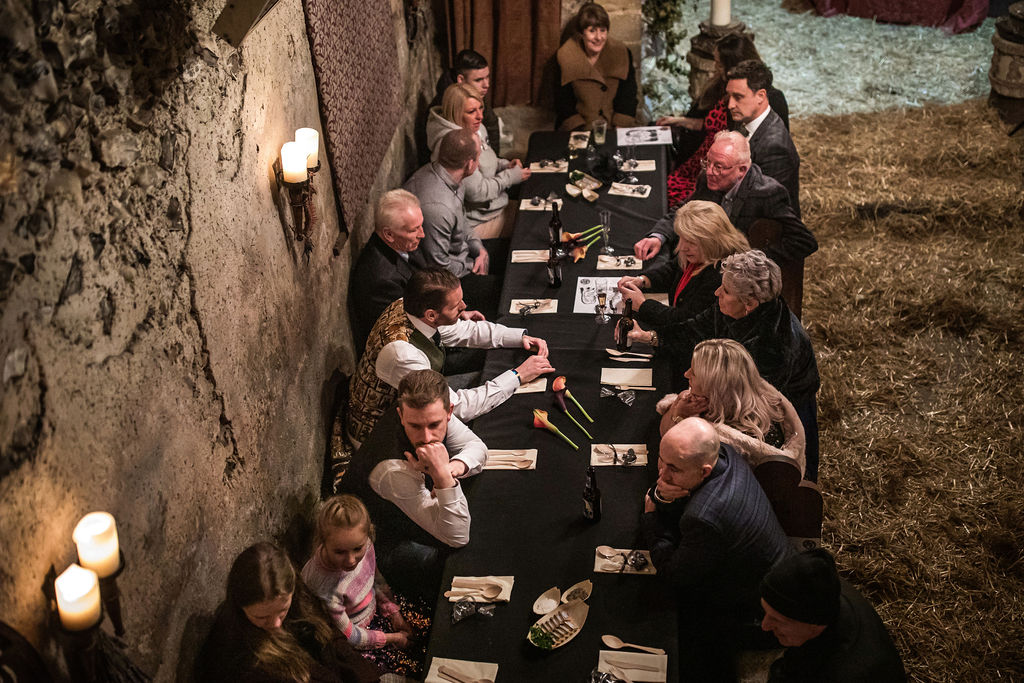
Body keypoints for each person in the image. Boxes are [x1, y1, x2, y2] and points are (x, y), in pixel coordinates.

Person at [623, 250, 822, 481]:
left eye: (725, 291)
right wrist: (646, 336)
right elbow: (692, 331)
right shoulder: (729, 307)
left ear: (750, 303)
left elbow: (748, 406)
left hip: (777, 411)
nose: (717, 292)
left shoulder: (775, 344)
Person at [640, 417, 793, 682]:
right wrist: (665, 497)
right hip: (774, 571)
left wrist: (651, 516)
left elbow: (673, 573)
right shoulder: (726, 453)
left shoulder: (703, 517)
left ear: (705, 471)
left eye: (673, 469)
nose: (662, 475)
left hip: (757, 617)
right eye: (661, 461)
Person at [345, 267, 553, 447]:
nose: (464, 307)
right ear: (431, 315)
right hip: (383, 433)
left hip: (423, 399)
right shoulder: (402, 355)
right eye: (456, 306)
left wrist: (519, 337)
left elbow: (465, 331)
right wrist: (518, 375)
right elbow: (457, 408)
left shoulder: (409, 306)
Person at [340, 370, 485, 600]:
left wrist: (450, 468)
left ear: (448, 413)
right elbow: (457, 537)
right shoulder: (392, 470)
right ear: (401, 415)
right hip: (385, 544)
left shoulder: (427, 414)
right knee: (466, 561)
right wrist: (443, 479)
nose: (426, 437)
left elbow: (478, 448)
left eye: (434, 424)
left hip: (414, 509)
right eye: (415, 426)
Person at [196, 542, 381, 683]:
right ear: (240, 607)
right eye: (261, 617)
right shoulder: (240, 658)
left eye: (283, 610)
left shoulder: (300, 598)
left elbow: (329, 633)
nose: (276, 623)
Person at [633, 132, 816, 268]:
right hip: (699, 263)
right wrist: (658, 236)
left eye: (719, 167)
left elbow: (804, 241)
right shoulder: (708, 179)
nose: (710, 171)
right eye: (708, 163)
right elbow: (685, 210)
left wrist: (752, 260)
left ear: (741, 170)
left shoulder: (767, 193)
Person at [302, 495, 430, 677]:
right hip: (353, 637)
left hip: (373, 613)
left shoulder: (366, 544)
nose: (351, 560)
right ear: (323, 542)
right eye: (339, 552)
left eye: (357, 549)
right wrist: (393, 638)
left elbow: (375, 577)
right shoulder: (324, 585)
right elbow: (350, 636)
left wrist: (394, 613)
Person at [657, 34, 788, 207]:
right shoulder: (724, 87)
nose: (731, 104)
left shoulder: (770, 130)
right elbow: (709, 123)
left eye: (719, 64)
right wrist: (682, 121)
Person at [657, 339, 806, 476]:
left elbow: (675, 459)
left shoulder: (733, 442)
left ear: (714, 387)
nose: (686, 374)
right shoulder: (714, 402)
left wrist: (679, 417)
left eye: (694, 373)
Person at [760, 549, 907, 682]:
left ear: (813, 623)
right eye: (766, 613)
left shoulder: (849, 673)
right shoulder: (824, 589)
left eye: (777, 620)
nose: (764, 626)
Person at [404, 128, 500, 317]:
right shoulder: (437, 208)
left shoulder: (451, 177)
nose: (479, 164)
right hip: (448, 283)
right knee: (508, 290)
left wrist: (479, 249)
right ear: (470, 164)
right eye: (478, 158)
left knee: (515, 254)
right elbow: (438, 267)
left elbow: (462, 220)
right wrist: (472, 266)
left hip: (462, 257)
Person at [617, 200, 749, 329]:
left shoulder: (722, 274)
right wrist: (643, 280)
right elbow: (672, 269)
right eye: (682, 238)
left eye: (691, 242)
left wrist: (642, 305)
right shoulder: (703, 254)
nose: (683, 247)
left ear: (711, 241)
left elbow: (686, 320)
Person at [426, 83, 529, 234]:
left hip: (496, 204)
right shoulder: (455, 145)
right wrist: (510, 177)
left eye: (480, 108)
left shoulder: (475, 127)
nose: (480, 116)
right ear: (456, 113)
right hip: (476, 220)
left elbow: (486, 157)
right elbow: (477, 193)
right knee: (531, 228)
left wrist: (504, 165)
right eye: (471, 111)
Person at [349, 190, 423, 352]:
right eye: (414, 230)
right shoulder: (382, 280)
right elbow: (409, 332)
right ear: (389, 234)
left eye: (420, 226)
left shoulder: (401, 242)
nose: (422, 234)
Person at [725, 59, 801, 215]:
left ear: (760, 96)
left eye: (738, 97)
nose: (730, 105)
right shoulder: (744, 120)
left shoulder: (775, 148)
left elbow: (760, 207)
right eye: (729, 96)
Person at [554, 2, 638, 131]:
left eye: (603, 30)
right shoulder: (564, 56)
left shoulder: (621, 53)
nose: (598, 37)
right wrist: (579, 130)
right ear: (582, 33)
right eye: (592, 31)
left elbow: (628, 95)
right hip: (580, 129)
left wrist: (620, 126)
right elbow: (562, 101)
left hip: (613, 127)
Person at [431, 49, 500, 155]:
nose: (486, 85)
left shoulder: (472, 91)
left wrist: (494, 158)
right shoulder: (447, 105)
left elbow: (492, 123)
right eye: (478, 80)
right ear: (461, 80)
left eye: (487, 77)